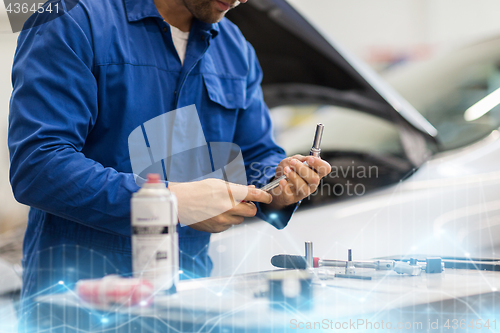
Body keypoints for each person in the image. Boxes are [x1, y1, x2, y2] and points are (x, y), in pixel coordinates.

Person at [8, 0, 331, 326]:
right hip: (81, 307)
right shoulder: (72, 19)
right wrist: (169, 203)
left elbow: (255, 156)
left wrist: (281, 184)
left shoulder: (235, 49)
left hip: (190, 304)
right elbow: (39, 165)